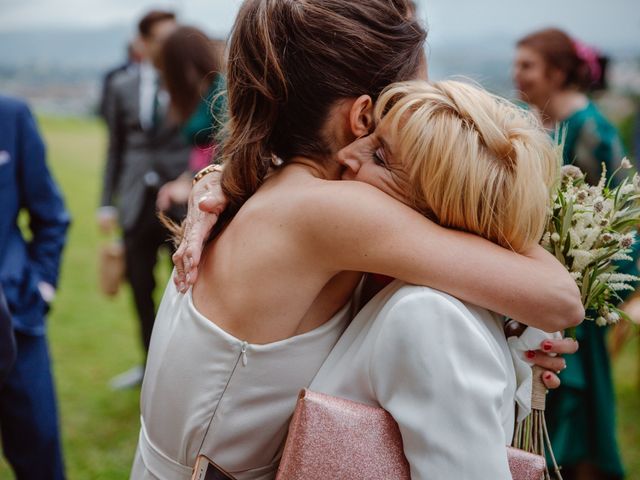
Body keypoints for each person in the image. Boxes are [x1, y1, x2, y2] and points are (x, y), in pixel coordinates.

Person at [131, 1, 583, 478]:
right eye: (413, 91)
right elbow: (558, 298)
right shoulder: (332, 211)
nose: (424, 102)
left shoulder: (275, 182)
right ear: (364, 117)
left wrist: (507, 335)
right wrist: (494, 205)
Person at [311, 79, 576, 478]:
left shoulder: (431, 317)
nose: (347, 153)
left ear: (439, 209)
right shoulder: (381, 283)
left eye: (380, 157)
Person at [514, 27, 636, 480]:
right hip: (534, 288)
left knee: (573, 415)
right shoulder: (535, 120)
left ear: (558, 72)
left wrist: (590, 289)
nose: (516, 73)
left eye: (527, 64)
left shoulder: (593, 131)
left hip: (574, 298)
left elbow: (626, 217)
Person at [99, 10, 190, 388]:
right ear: (144, 42)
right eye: (161, 38)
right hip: (136, 202)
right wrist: (106, 202)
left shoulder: (192, 82)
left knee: (184, 291)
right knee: (139, 288)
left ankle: (182, 371)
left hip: (180, 202)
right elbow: (115, 148)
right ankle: (148, 366)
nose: (169, 44)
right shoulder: (121, 85)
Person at [0, 95, 70, 479]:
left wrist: (42, 287)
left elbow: (50, 215)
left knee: (40, 452)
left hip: (17, 317)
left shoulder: (10, 116)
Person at [155, 26, 227, 213]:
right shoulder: (192, 96)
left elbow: (223, 153)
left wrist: (193, 182)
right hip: (199, 175)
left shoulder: (220, 94)